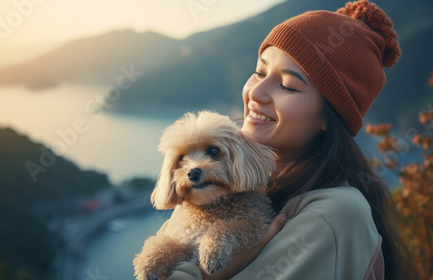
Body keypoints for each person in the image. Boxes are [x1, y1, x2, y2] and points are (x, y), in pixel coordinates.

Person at [166, 0, 405, 279]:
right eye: (259, 72)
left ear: (328, 117)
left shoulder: (334, 215)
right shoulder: (235, 188)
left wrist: (205, 274)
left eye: (288, 86)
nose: (256, 93)